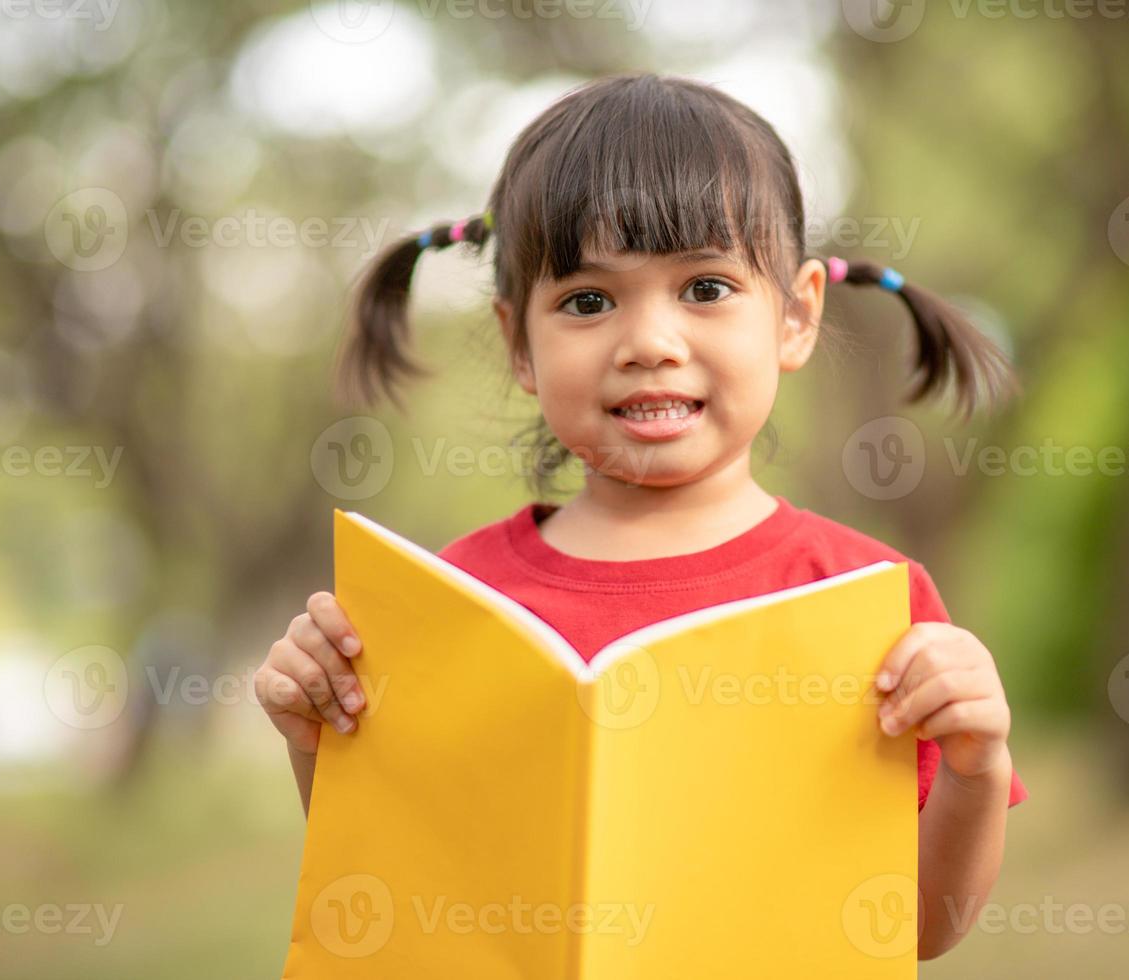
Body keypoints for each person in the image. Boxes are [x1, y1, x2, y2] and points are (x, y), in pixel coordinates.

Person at [257, 71, 1027, 960]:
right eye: (588, 301)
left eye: (705, 288)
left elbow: (921, 932)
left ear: (796, 315)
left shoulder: (866, 603)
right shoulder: (450, 600)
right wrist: (319, 734)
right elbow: (404, 879)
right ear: (519, 344)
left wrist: (977, 766)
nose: (650, 344)